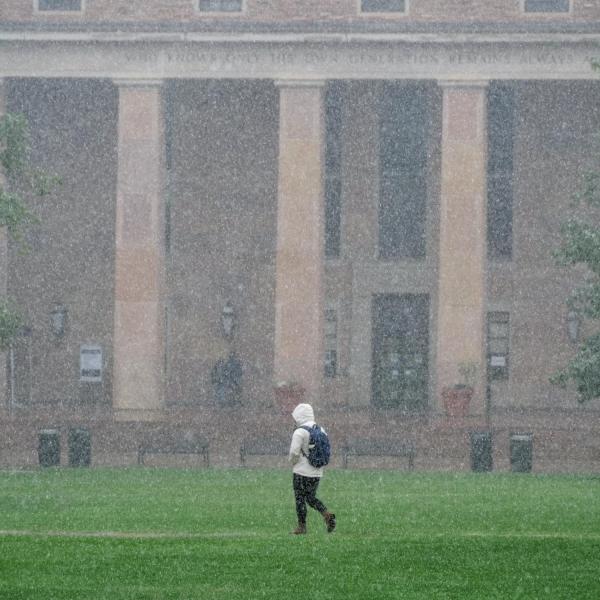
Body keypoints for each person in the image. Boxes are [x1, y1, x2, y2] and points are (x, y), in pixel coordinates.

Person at [288, 403, 336, 535]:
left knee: (299, 498)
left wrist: (293, 463)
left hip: (301, 471)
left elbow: (294, 452)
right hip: (317, 471)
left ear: (299, 416)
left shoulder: (299, 432)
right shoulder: (321, 430)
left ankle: (301, 527)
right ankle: (326, 514)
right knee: (310, 497)